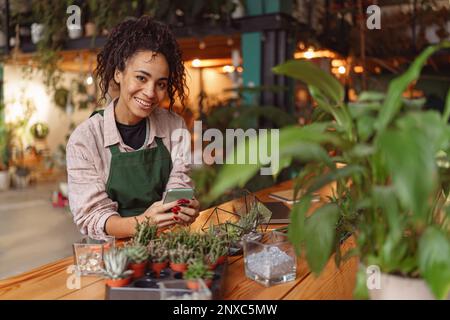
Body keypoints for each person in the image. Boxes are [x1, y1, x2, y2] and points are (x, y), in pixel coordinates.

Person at [66, 16, 199, 239]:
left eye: (161, 84)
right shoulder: (85, 139)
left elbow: (178, 185)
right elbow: (93, 216)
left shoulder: (174, 126)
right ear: (119, 73)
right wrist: (144, 223)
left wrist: (182, 209)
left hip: (164, 241)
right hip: (112, 252)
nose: (150, 92)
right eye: (141, 78)